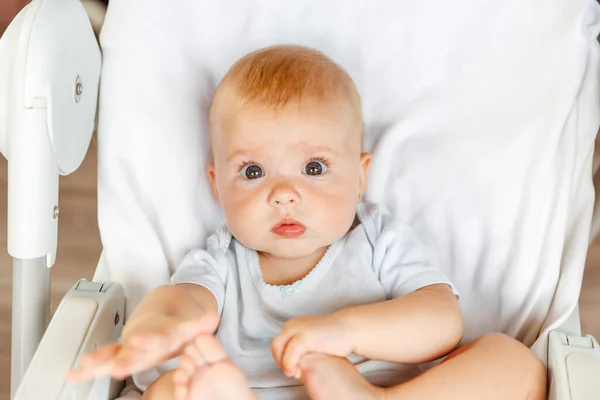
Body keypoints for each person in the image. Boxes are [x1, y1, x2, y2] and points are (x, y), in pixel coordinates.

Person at [68, 45, 546, 400]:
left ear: (360, 178)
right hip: (254, 392)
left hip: (368, 386)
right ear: (217, 185)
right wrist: (155, 329)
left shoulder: (376, 240)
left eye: (314, 168)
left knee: (512, 361)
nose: (283, 193)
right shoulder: (221, 260)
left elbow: (442, 319)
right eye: (252, 172)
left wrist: (348, 330)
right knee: (176, 386)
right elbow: (184, 302)